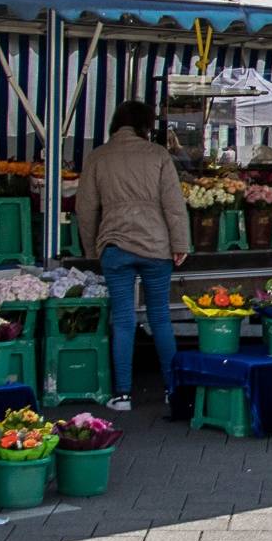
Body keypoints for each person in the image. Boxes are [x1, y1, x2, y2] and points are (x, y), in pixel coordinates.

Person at [76, 100, 191, 414]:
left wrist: (90, 248)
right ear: (145, 125)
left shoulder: (98, 156)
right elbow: (173, 204)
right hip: (156, 245)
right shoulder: (158, 155)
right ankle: (172, 389)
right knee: (160, 318)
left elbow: (85, 208)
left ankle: (123, 395)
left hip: (115, 243)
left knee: (124, 320)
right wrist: (180, 243)